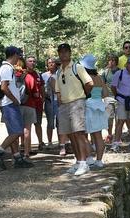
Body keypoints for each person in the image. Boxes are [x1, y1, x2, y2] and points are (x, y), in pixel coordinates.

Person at [0, 46, 33, 169]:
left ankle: (18, 158)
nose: (19, 57)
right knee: (17, 131)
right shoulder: (6, 68)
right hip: (9, 104)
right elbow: (4, 87)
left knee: (13, 132)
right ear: (14, 54)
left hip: (8, 104)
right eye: (18, 54)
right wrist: (15, 100)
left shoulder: (7, 68)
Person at [54, 43, 94, 176]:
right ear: (59, 54)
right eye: (61, 52)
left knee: (79, 133)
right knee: (70, 135)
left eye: (66, 51)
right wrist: (60, 102)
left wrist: (82, 96)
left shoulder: (78, 67)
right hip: (64, 105)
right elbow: (57, 90)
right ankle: (78, 161)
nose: (63, 54)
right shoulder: (59, 71)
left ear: (70, 53)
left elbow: (89, 83)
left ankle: (84, 163)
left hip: (77, 103)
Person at [80, 54, 108, 169]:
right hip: (99, 107)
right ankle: (99, 160)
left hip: (87, 106)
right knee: (98, 136)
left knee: (84, 135)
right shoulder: (99, 78)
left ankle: (89, 158)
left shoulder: (84, 78)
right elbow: (105, 94)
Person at [19, 56, 39, 159]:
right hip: (29, 105)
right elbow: (36, 94)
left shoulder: (15, 75)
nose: (32, 63)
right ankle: (27, 152)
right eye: (29, 61)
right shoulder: (30, 77)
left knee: (17, 129)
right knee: (27, 129)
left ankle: (17, 152)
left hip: (16, 105)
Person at [24, 55, 45, 152]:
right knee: (26, 126)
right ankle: (24, 146)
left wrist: (43, 98)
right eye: (30, 61)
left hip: (37, 104)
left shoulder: (38, 74)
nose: (32, 63)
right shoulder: (21, 73)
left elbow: (42, 88)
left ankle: (41, 143)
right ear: (26, 62)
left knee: (38, 123)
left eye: (34, 61)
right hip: (26, 103)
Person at [41, 58, 60, 149]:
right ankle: (50, 142)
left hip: (59, 101)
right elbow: (41, 88)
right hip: (49, 101)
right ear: (47, 65)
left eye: (53, 62)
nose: (51, 64)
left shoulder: (60, 74)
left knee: (59, 122)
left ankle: (61, 142)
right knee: (50, 122)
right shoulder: (43, 75)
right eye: (49, 63)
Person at [101, 53, 120, 143]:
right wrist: (103, 96)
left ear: (116, 62)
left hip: (119, 98)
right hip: (108, 97)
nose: (111, 62)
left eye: (113, 60)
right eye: (110, 60)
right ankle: (109, 135)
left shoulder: (120, 72)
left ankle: (117, 136)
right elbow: (101, 84)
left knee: (118, 118)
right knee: (109, 117)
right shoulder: (105, 72)